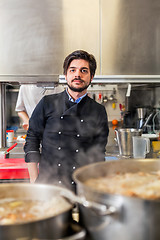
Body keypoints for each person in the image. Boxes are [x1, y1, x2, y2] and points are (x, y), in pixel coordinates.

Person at [24, 50, 109, 190]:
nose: (77, 75)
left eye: (84, 71)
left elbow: (98, 155)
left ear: (91, 77)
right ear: (66, 75)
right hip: (48, 186)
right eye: (73, 70)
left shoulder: (98, 111)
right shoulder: (47, 103)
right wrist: (34, 181)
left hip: (81, 187)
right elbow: (32, 140)